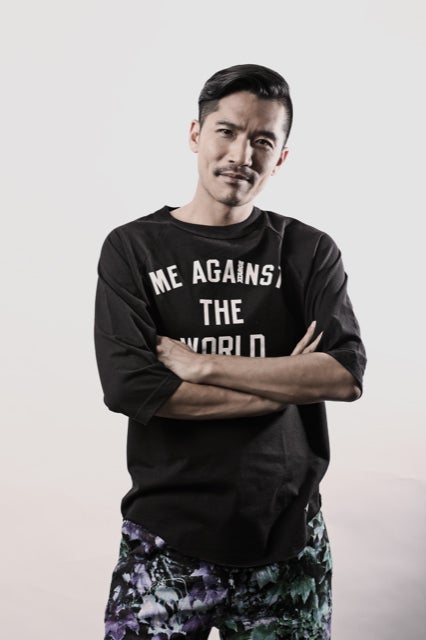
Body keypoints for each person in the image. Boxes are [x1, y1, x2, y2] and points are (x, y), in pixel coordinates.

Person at [94, 63, 366, 640]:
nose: (242, 154)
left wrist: (205, 366)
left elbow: (342, 374)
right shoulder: (133, 248)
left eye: (262, 140)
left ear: (281, 156)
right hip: (164, 539)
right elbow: (133, 389)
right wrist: (279, 388)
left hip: (287, 540)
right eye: (228, 131)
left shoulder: (308, 251)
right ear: (196, 134)